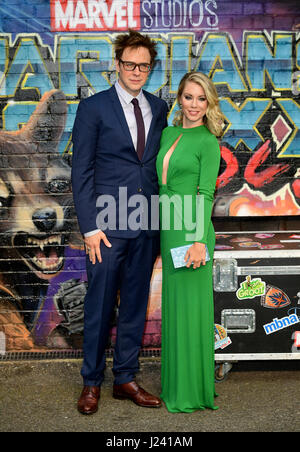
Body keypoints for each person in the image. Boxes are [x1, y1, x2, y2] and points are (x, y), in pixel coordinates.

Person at [72, 30, 168, 415]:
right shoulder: (93, 108)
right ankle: (91, 382)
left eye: (144, 66)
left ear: (151, 68)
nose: (136, 71)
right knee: (98, 306)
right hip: (107, 229)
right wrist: (90, 227)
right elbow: (82, 171)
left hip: (146, 224)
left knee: (134, 305)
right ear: (117, 63)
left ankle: (125, 378)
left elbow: (156, 166)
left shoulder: (159, 107)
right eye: (129, 64)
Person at [156, 72, 224, 413]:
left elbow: (206, 193)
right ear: (179, 99)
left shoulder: (208, 142)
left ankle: (193, 391)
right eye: (188, 97)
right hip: (169, 227)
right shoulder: (168, 133)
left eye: (201, 99)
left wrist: (199, 240)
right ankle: (177, 384)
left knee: (192, 311)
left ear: (208, 103)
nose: (194, 105)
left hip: (192, 232)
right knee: (175, 309)